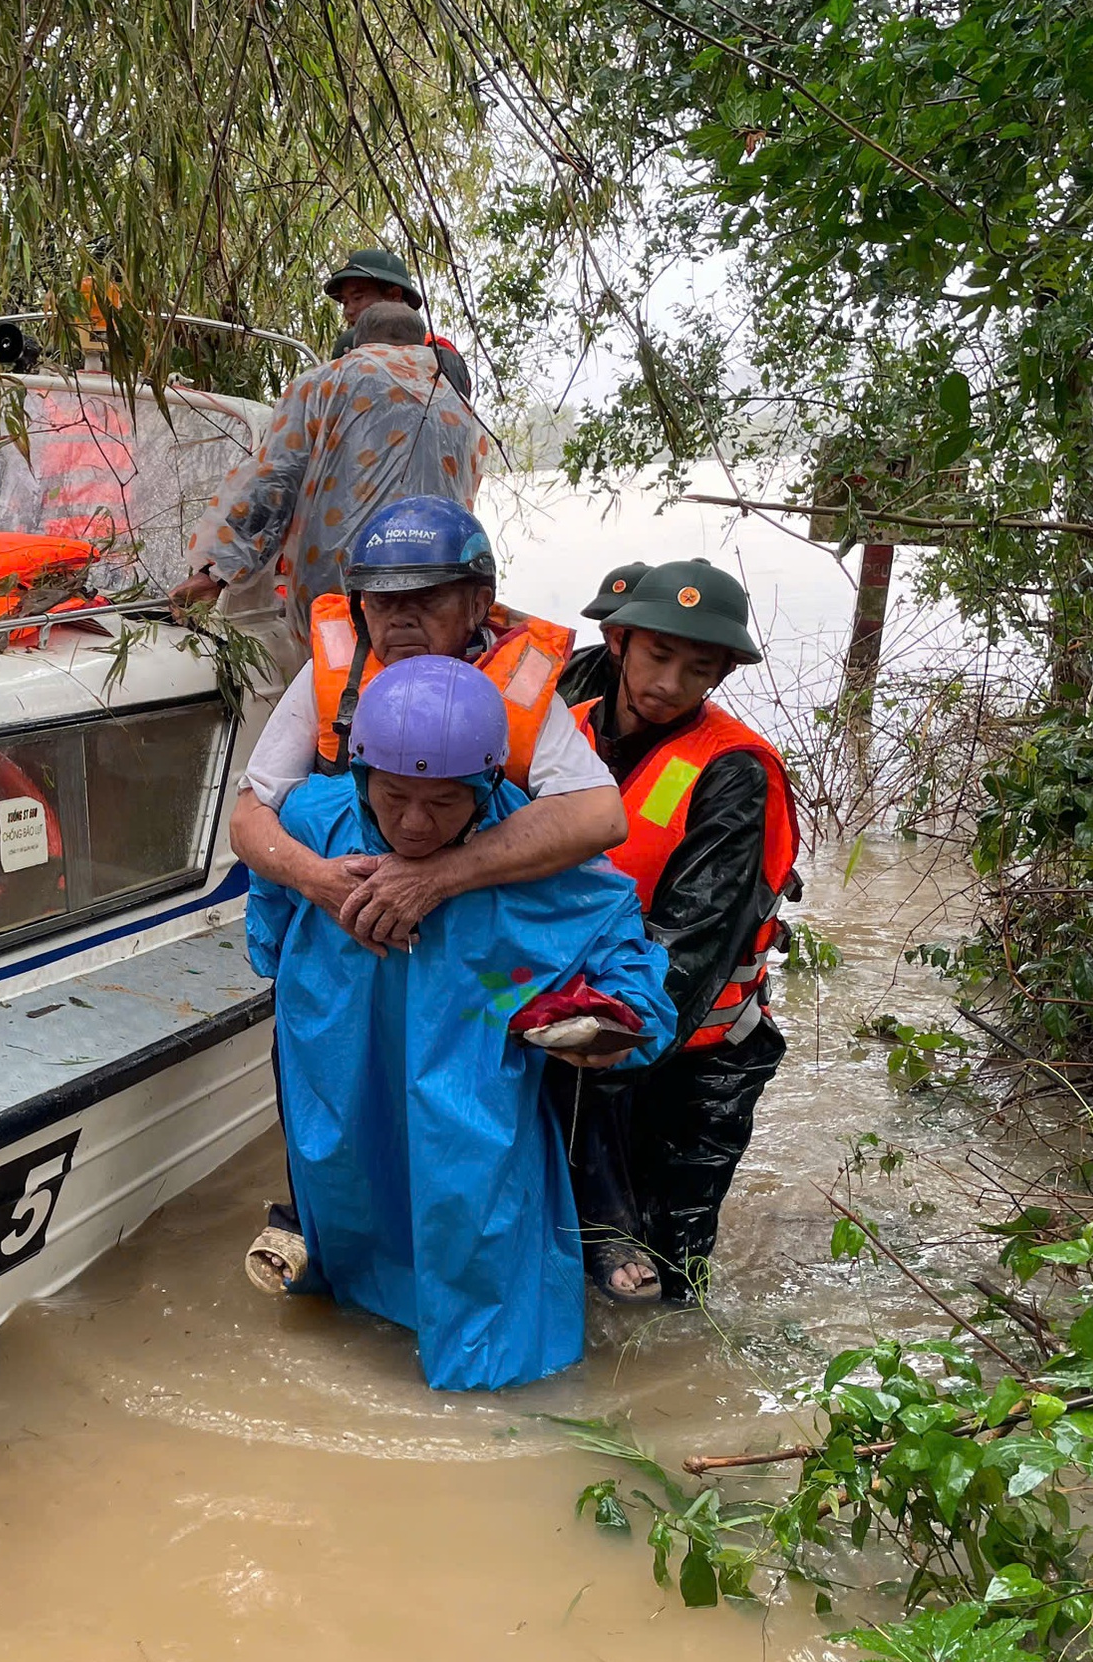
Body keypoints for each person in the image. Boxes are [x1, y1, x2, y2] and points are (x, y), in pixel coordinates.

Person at [243, 656, 675, 1390]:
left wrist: (607, 1024)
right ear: (360, 778)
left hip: (465, 1102)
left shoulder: (528, 858)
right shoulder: (318, 827)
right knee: (351, 1225)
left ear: (484, 789)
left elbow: (621, 958)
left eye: (442, 804)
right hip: (346, 1077)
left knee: (472, 1241)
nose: (413, 823)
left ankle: (493, 1413)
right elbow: (269, 926)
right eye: (393, 796)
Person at [553, 558, 800, 1305]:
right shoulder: (563, 726)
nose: (669, 681)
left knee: (668, 1275)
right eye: (658, 654)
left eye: (698, 668)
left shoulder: (733, 773)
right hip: (572, 1033)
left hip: (690, 1059)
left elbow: (692, 940)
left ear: (720, 675)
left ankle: (668, 1394)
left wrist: (612, 1039)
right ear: (621, 642)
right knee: (560, 1238)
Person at [227, 495, 625, 952]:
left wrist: (438, 875)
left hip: (468, 953)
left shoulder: (517, 683)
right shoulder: (333, 672)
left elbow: (602, 818)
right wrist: (321, 882)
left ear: (478, 605)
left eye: (425, 600)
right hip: (342, 949)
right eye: (383, 602)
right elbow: (247, 820)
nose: (399, 620)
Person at [172, 301, 487, 635]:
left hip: (339, 591)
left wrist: (216, 572)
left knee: (338, 677)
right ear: (419, 341)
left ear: (358, 341)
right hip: (437, 593)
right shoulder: (457, 405)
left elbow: (274, 481)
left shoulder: (325, 383)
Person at [323, 246, 476, 399]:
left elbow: (447, 417)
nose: (349, 311)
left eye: (358, 298)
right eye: (345, 302)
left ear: (394, 295)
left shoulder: (438, 357)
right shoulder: (348, 353)